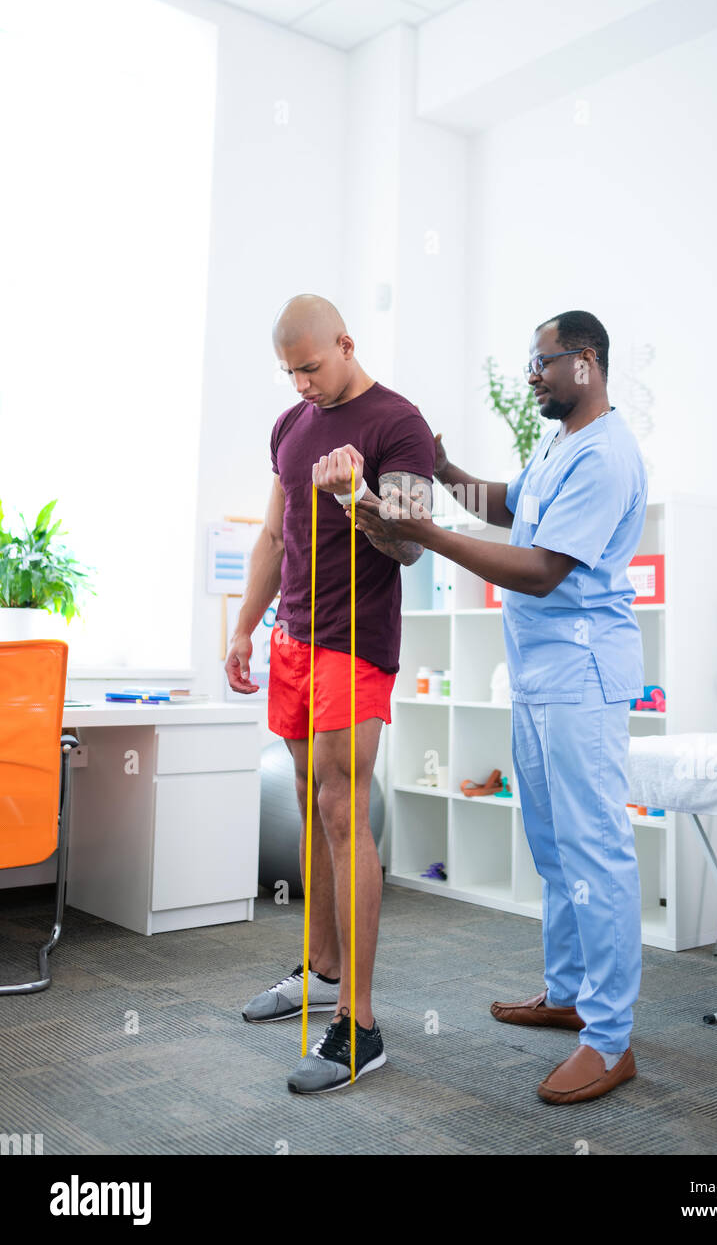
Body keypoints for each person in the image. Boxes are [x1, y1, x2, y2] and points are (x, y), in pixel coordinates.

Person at [352, 310, 647, 1103]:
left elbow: (543, 570)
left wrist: (426, 532)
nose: (531, 377)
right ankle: (570, 993)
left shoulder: (607, 455)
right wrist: (446, 469)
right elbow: (512, 506)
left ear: (586, 362)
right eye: (529, 364)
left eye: (542, 363)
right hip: (540, 676)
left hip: (581, 677)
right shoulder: (560, 443)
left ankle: (610, 1038)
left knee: (595, 853)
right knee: (555, 848)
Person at [225, 294, 434, 1094]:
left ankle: (361, 1024)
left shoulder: (399, 423)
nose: (301, 384)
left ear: (346, 344)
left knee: (346, 812)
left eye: (310, 368)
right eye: (289, 372)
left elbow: (410, 544)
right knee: (314, 808)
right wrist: (244, 628)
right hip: (293, 639)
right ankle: (318, 970)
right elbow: (272, 535)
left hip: (355, 642)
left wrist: (355, 495)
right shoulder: (289, 425)